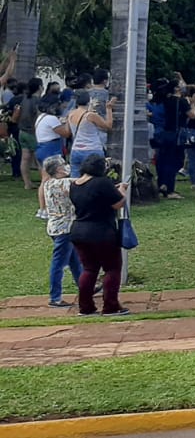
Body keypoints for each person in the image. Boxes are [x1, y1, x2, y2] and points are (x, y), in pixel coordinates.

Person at [69, 154, 128, 316]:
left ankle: (85, 307)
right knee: (112, 268)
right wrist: (122, 190)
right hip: (101, 231)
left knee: (89, 269)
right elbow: (118, 203)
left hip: (79, 231)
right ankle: (110, 306)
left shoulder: (74, 185)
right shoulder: (102, 182)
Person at [40, 155, 80, 308]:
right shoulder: (63, 183)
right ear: (58, 169)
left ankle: (85, 285)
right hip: (64, 229)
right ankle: (55, 298)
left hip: (55, 227)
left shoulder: (48, 183)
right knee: (59, 263)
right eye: (63, 164)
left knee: (74, 259)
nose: (66, 166)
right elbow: (83, 182)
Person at [66, 92, 114, 177]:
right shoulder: (90, 115)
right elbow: (108, 126)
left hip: (76, 149)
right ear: (89, 101)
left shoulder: (71, 114)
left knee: (75, 178)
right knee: (95, 177)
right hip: (92, 149)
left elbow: (68, 131)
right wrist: (109, 109)